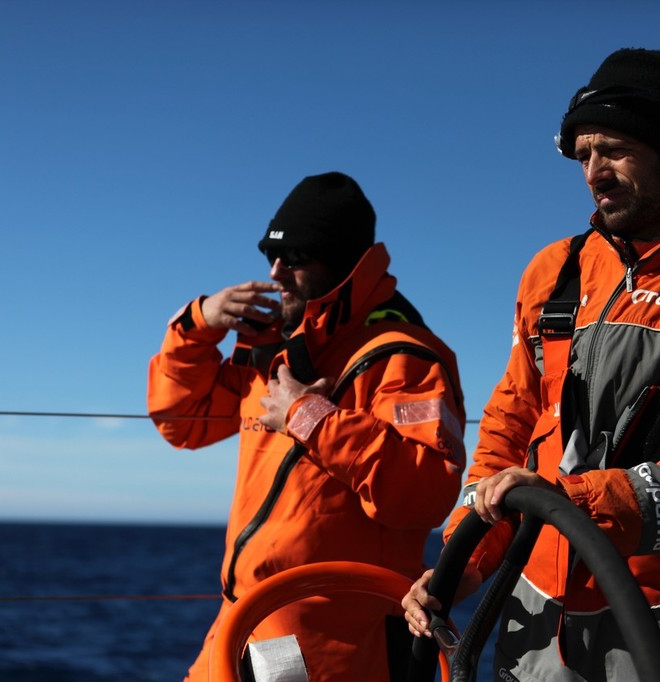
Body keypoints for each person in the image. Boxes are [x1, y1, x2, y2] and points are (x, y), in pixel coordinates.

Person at [403, 48, 660, 681]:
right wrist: (463, 558)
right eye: (583, 156)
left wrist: (574, 504)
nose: (594, 173)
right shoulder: (553, 273)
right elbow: (509, 431)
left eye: (615, 150)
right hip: (535, 612)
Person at [148, 171, 467, 681]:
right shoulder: (281, 352)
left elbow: (426, 490)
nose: (276, 271)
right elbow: (183, 424)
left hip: (337, 642)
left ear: (341, 264)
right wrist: (196, 326)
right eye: (271, 257)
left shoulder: (401, 355)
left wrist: (307, 417)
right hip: (244, 621)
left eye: (296, 258)